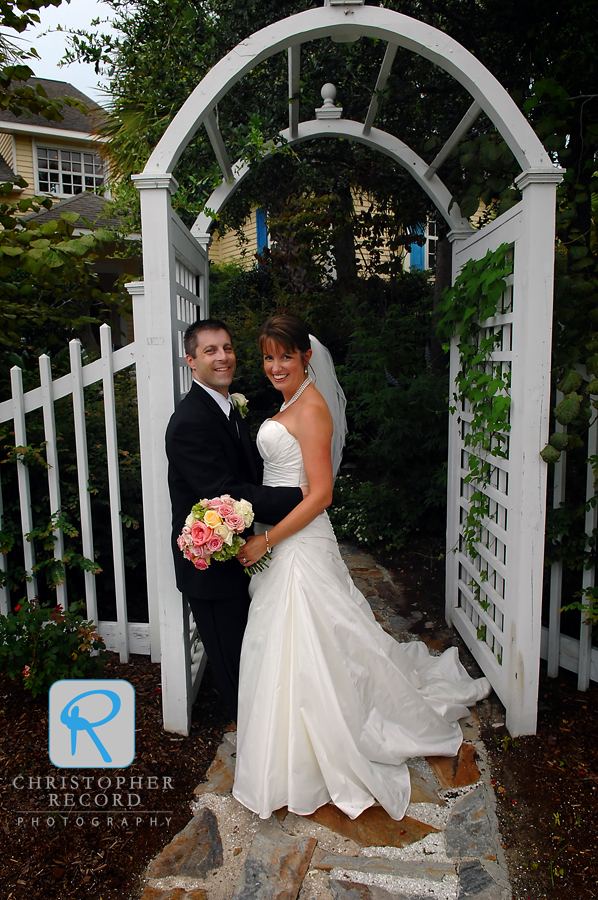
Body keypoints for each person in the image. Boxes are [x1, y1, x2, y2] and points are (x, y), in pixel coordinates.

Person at [232, 314, 491, 821]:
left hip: (298, 539)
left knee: (313, 636)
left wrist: (267, 538)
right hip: (282, 535)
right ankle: (284, 744)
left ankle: (318, 746)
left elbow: (322, 494)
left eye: (286, 355)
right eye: (268, 356)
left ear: (307, 357)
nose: (276, 365)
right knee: (286, 639)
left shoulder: (312, 409)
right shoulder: (288, 402)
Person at [165, 318, 304, 721]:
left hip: (241, 555)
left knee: (254, 654)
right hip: (212, 567)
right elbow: (226, 491)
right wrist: (301, 498)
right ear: (191, 361)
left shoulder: (227, 406)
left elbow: (248, 474)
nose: (222, 357)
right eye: (210, 350)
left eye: (227, 347)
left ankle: (268, 733)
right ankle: (256, 751)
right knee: (234, 665)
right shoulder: (190, 422)